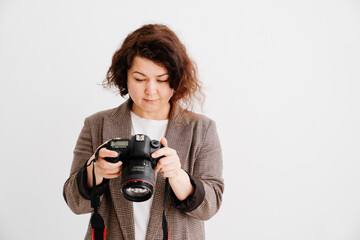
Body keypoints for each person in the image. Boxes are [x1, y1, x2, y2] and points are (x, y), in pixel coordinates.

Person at [63, 24, 224, 240]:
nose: (150, 90)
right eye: (140, 79)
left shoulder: (201, 129)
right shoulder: (97, 125)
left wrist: (177, 175)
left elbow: (209, 207)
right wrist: (96, 172)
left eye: (161, 79)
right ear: (125, 76)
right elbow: (75, 203)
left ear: (176, 79)